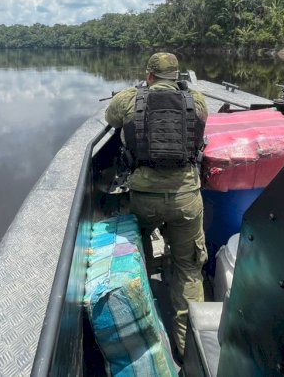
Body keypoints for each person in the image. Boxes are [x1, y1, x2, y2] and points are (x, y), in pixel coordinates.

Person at [105, 52, 208, 359]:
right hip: (186, 197)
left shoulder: (127, 99)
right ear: (176, 77)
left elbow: (111, 120)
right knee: (189, 270)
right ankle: (190, 352)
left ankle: (147, 338)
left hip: (143, 197)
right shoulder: (197, 100)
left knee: (139, 260)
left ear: (149, 75)